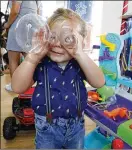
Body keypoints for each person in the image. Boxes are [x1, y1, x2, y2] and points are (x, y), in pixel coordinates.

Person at [12, 8, 105, 149]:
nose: (58, 43)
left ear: (80, 41)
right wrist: (32, 58)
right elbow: (17, 87)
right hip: (46, 129)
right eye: (52, 37)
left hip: (76, 126)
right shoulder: (41, 62)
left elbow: (99, 82)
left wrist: (80, 53)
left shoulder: (80, 62)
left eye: (68, 38)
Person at [3, 1, 42, 91]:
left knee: (13, 60)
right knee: (30, 60)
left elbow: (15, 11)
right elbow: (38, 14)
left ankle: (15, 85)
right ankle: (32, 83)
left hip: (17, 27)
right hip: (31, 29)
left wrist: (7, 24)